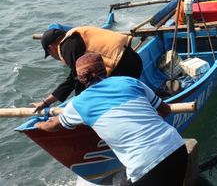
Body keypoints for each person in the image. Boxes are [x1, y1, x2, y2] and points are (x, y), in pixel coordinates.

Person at [35, 53, 188, 186]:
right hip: (177, 146)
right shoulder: (129, 82)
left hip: (145, 165)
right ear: (105, 69)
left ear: (81, 78)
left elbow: (53, 125)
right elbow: (165, 110)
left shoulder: (78, 104)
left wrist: (39, 125)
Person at [32, 25, 142, 112]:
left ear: (51, 48)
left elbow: (79, 79)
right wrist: (46, 102)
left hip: (124, 69)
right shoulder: (75, 34)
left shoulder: (66, 46)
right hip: (134, 60)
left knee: (90, 97)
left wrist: (79, 107)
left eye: (50, 54)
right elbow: (74, 78)